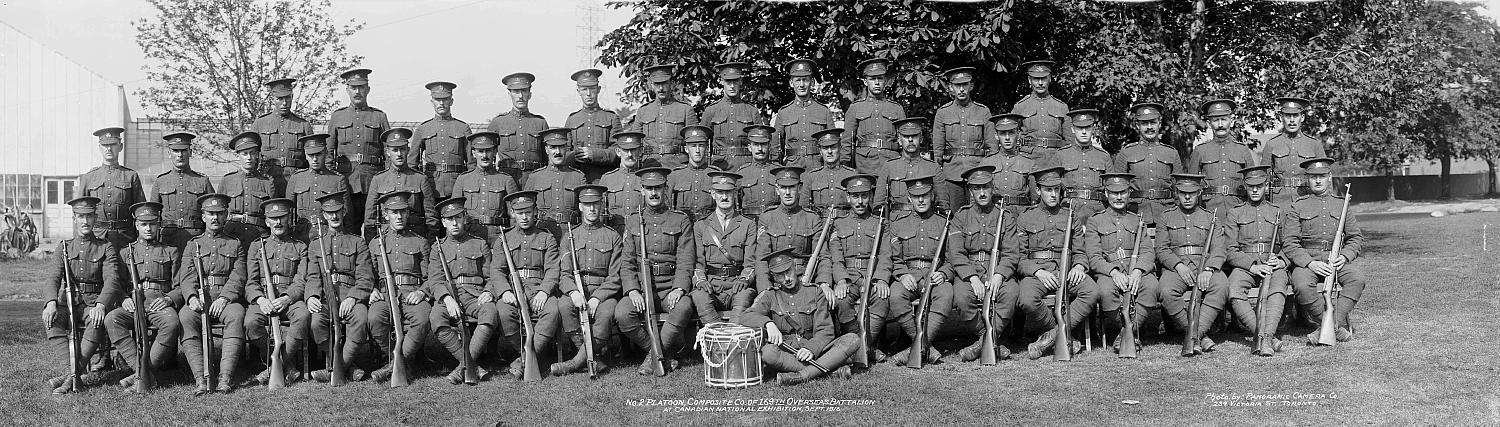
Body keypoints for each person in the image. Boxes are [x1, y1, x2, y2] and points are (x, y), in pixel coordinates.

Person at [614, 167, 697, 373]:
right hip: (643, 288)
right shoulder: (634, 221)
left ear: (665, 188)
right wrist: (633, 290)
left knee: (684, 306)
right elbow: (627, 262)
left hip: (669, 286)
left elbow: (686, 260)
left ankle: (652, 358)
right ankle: (660, 354)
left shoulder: (680, 220)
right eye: (648, 188)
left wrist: (679, 289)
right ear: (641, 190)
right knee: (623, 313)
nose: (653, 193)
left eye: (658, 188)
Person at [741, 248, 860, 385]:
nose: (787, 278)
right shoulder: (770, 295)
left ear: (795, 267)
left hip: (816, 351)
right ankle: (829, 371)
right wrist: (768, 324)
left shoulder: (815, 292)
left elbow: (825, 331)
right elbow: (745, 317)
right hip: (786, 353)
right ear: (774, 277)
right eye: (780, 275)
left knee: (852, 339)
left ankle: (802, 375)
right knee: (768, 352)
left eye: (788, 271)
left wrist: (811, 349)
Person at [42, 196, 122, 394]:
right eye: (80, 217)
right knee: (51, 320)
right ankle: (74, 374)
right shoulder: (64, 247)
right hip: (68, 303)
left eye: (89, 217)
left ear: (95, 218)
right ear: (74, 219)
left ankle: (70, 378)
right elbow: (53, 277)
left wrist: (102, 304)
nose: (85, 221)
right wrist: (51, 302)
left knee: (96, 322)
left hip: (93, 303)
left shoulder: (106, 247)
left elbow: (112, 280)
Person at [1283, 157, 1365, 344]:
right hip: (1308, 261)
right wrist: (1310, 263)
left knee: (1357, 279)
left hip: (1335, 260)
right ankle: (1334, 327)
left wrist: (1345, 256)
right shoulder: (1298, 206)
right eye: (1313, 177)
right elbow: (1289, 242)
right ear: (1308, 179)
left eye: (1322, 176)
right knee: (1302, 286)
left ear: (1329, 177)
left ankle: (1330, 326)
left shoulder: (1341, 204)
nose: (1318, 181)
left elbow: (1355, 237)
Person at [1016, 166, 1094, 360]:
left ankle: (1050, 338)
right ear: (1038, 191)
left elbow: (1080, 251)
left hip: (1065, 271)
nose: (1053, 194)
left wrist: (1078, 266)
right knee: (1026, 299)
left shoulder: (1070, 216)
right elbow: (1018, 257)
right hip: (1038, 274)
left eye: (1056, 190)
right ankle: (1063, 335)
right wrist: (1037, 272)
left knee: (1092, 291)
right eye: (1048, 190)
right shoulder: (1025, 217)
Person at [103, 202, 182, 391]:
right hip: (133, 302)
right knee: (112, 319)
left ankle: (142, 374)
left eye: (153, 224)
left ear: (158, 224)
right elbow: (117, 284)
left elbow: (180, 285)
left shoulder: (171, 251)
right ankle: (142, 372)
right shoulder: (125, 253)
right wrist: (123, 298)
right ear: (136, 225)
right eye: (144, 224)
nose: (148, 228)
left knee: (172, 324)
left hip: (159, 302)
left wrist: (169, 299)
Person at [946, 166, 1021, 362]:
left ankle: (982, 343)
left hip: (996, 270)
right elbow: (956, 253)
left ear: (992, 187)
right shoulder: (960, 217)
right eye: (977, 189)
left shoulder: (1005, 216)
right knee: (962, 297)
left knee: (1011, 293)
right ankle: (989, 338)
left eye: (985, 187)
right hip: (970, 272)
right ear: (970, 191)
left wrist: (999, 275)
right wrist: (971, 278)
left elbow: (1012, 253)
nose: (982, 193)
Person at [553, 185, 629, 376]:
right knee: (564, 305)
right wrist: (573, 292)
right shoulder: (569, 236)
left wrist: (597, 297)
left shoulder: (613, 237)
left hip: (603, 292)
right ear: (580, 207)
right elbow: (564, 274)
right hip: (577, 290)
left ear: (601, 205)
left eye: (595, 204)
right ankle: (593, 358)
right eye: (587, 205)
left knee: (606, 313)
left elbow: (615, 276)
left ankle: (574, 363)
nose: (592, 209)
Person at [176, 193, 248, 395]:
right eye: (210, 214)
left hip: (226, 299)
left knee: (236, 315)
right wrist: (191, 297)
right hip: (200, 298)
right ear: (203, 216)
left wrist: (225, 298)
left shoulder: (235, 244)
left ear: (226, 215)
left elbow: (238, 276)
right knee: (185, 317)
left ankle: (225, 377)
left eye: (219, 214)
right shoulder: (193, 245)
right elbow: (187, 275)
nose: (215, 218)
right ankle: (201, 377)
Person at [880, 173, 952, 365]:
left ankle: (918, 345)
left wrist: (943, 273)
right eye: (916, 196)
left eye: (925, 195)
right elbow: (893, 257)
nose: (921, 200)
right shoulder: (896, 225)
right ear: (909, 199)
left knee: (946, 294)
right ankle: (922, 343)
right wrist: (902, 274)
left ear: (933, 196)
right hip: (909, 276)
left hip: (934, 276)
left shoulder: (944, 223)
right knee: (895, 295)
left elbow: (952, 259)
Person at [489, 191, 562, 377]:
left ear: (535, 211)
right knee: (504, 312)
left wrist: (545, 292)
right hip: (514, 290)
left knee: (553, 310)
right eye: (519, 212)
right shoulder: (504, 239)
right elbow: (497, 270)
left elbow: (553, 269)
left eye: (528, 212)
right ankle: (527, 353)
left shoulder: (547, 238)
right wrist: (504, 291)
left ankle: (524, 358)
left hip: (539, 288)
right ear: (512, 213)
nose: (524, 216)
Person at [1154, 173, 1229, 355]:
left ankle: (1194, 335)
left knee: (1221, 285)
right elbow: (1162, 249)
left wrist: (1209, 270)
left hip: (1204, 266)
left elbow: (1219, 248)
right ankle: (1200, 337)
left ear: (1199, 193)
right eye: (1182, 193)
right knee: (1165, 291)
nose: (1187, 197)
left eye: (1192, 193)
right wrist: (1178, 266)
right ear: (1176, 193)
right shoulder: (1165, 217)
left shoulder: (1211, 217)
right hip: (1176, 268)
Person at [427, 197, 499, 384]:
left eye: (458, 217)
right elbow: (435, 279)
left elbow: (491, 276)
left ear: (464, 218)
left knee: (490, 312)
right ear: (443, 222)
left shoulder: (480, 243)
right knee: (436, 317)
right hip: (449, 296)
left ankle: (462, 368)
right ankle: (472, 366)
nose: (454, 223)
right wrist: (447, 299)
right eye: (449, 219)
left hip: (475, 296)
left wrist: (489, 291)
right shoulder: (438, 248)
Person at [305, 191, 374, 383]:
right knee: (316, 323)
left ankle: (338, 367)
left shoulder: (358, 242)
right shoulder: (315, 245)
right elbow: (312, 276)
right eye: (329, 213)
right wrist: (312, 297)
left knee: (360, 320)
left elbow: (365, 277)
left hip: (350, 294)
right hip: (326, 297)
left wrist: (353, 297)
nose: (334, 216)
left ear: (344, 212)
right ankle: (346, 366)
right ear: (324, 216)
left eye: (337, 211)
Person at [1083, 173, 1157, 353]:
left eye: (1123, 192)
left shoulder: (1137, 220)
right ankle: (1130, 330)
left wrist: (1138, 271)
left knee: (1152, 287)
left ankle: (1126, 332)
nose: (1118, 197)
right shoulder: (1095, 221)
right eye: (1113, 193)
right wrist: (1113, 273)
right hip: (1109, 273)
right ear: (1106, 194)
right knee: (1106, 291)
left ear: (1129, 193)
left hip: (1135, 272)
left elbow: (1147, 251)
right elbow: (1094, 256)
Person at [365, 191, 433, 384]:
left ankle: (395, 364)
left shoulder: (420, 242)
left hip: (412, 293)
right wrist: (371, 290)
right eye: (394, 212)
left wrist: (421, 292)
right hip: (385, 294)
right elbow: (367, 273)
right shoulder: (375, 243)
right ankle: (399, 361)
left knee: (422, 319)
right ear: (385, 215)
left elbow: (431, 277)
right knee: (374, 318)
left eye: (403, 212)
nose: (399, 216)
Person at [1221, 166, 1289, 355]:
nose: (1255, 190)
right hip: (1246, 265)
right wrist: (1252, 266)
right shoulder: (1235, 213)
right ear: (1245, 186)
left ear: (1266, 185)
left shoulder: (1278, 211)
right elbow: (1230, 249)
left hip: (1272, 264)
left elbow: (1289, 243)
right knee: (1233, 290)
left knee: (1277, 289)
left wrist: (1282, 261)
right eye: (1251, 186)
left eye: (1259, 185)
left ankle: (1266, 337)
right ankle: (1263, 336)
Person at [243, 198, 311, 386]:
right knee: (250, 323)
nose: (278, 222)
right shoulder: (257, 246)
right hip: (264, 298)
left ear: (288, 219)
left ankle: (277, 365)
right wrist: (259, 300)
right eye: (274, 218)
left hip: (289, 298)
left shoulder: (300, 247)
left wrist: (287, 298)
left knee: (303, 316)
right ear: (267, 222)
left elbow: (301, 279)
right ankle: (284, 363)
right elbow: (251, 281)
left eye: (282, 217)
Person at [825, 174, 892, 362]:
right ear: (848, 198)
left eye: (864, 196)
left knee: (882, 298)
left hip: (872, 276)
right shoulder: (838, 224)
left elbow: (886, 254)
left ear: (870, 197)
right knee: (842, 301)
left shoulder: (881, 223)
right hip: (850, 277)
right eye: (855, 197)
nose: (860, 201)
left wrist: (881, 279)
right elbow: (836, 257)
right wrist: (840, 280)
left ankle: (866, 346)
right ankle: (863, 345)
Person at [690, 172, 757, 325]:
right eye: (720, 192)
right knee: (699, 296)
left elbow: (751, 262)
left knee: (745, 295)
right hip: (711, 285)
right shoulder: (701, 226)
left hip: (736, 284)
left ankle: (733, 337)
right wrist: (701, 281)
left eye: (728, 192)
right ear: (713, 194)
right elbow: (698, 262)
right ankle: (716, 340)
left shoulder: (748, 225)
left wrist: (744, 279)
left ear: (735, 194)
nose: (724, 197)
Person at [328, 68, 390, 233]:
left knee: (375, 227)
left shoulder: (379, 117)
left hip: (373, 182)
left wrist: (387, 180)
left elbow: (388, 151)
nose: (357, 91)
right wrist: (334, 181)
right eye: (353, 88)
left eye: (361, 87)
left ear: (368, 89)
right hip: (346, 182)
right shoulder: (337, 117)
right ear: (347, 90)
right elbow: (328, 152)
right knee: (348, 227)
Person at [933, 66, 996, 208]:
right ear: (950, 87)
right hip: (951, 174)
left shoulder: (983, 112)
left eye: (964, 85)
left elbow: (992, 148)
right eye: (957, 85)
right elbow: (938, 151)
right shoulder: (943, 113)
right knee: (955, 216)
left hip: (977, 171)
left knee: (979, 214)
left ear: (971, 86)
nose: (961, 89)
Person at [1112, 102, 1181, 228]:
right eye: (1144, 123)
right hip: (1135, 214)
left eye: (1153, 122)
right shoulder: (1127, 152)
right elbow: (1117, 187)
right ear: (1137, 125)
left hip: (1166, 214)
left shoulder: (1171, 153)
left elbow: (1179, 189)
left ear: (1159, 123)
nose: (1149, 127)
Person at [365, 128, 440, 237]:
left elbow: (431, 216)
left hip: (416, 236)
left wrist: (429, 242)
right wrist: (373, 243)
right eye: (395, 150)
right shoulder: (378, 180)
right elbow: (370, 217)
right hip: (388, 237)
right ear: (387, 152)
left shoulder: (420, 179)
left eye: (402, 149)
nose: (399, 154)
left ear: (408, 150)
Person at [80, 127, 147, 248]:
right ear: (99, 148)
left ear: (120, 146)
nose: (109, 149)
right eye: (105, 145)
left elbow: (141, 211)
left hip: (125, 237)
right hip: (97, 236)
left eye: (113, 144)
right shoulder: (89, 178)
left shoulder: (130, 176)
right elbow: (80, 212)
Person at [1188, 99, 1255, 213]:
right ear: (1209, 124)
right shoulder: (1200, 150)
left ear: (1231, 121)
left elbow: (1253, 183)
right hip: (1208, 210)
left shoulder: (1242, 150)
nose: (1220, 125)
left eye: (1224, 119)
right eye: (1215, 120)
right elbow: (1190, 186)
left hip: (1238, 210)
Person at [452, 132, 521, 240]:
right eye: (480, 151)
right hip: (470, 236)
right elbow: (454, 212)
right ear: (473, 153)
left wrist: (511, 238)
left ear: (495, 152)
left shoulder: (506, 180)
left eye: (488, 151)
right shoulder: (463, 179)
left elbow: (515, 215)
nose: (484, 156)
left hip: (498, 236)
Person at [628, 64, 699, 168]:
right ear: (651, 85)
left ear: (672, 84)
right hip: (649, 166)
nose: (661, 88)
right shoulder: (643, 111)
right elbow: (635, 142)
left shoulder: (685, 110)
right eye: (657, 84)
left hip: (677, 166)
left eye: (664, 83)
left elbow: (696, 142)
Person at [844, 58, 906, 174]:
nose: (877, 83)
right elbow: (847, 141)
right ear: (865, 81)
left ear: (885, 80)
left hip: (892, 163)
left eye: (880, 78)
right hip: (864, 165)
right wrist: (846, 168)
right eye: (872, 79)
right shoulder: (855, 108)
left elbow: (905, 140)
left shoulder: (897, 109)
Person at [1262, 97, 1327, 205]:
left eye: (1295, 115)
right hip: (1280, 201)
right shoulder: (1271, 144)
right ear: (1281, 117)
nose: (1292, 120)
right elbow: (1263, 177)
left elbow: (1325, 176)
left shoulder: (1314, 144)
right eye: (1287, 116)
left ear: (1302, 117)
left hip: (1307, 199)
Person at [413, 81, 473, 198]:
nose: (441, 103)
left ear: (451, 101)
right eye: (437, 99)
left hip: (457, 186)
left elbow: (471, 163)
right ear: (431, 102)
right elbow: (412, 163)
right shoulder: (423, 129)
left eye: (445, 99)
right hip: (431, 186)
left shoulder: (462, 128)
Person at [151, 132, 214, 241]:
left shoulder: (202, 181)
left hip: (196, 238)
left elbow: (213, 211)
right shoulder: (160, 181)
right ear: (169, 153)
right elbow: (152, 214)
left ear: (190, 152)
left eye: (183, 150)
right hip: (168, 239)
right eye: (175, 151)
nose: (180, 155)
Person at [288, 133, 351, 241]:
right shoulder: (296, 178)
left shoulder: (337, 180)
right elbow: (288, 212)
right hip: (302, 235)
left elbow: (348, 215)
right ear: (306, 155)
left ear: (325, 153)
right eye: (311, 155)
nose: (315, 159)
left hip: (329, 235)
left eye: (318, 154)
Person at [525, 127, 589, 234]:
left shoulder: (578, 177)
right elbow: (526, 209)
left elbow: (586, 210)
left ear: (566, 148)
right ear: (546, 149)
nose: (557, 152)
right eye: (553, 147)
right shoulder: (535, 177)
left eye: (561, 147)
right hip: (543, 232)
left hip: (571, 232)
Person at [220, 132, 280, 245]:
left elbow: (273, 213)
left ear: (257, 155)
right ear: (237, 156)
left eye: (252, 153)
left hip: (259, 236)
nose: (249, 158)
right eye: (245, 153)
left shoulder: (267, 182)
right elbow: (219, 210)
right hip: (232, 235)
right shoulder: (227, 181)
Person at [565, 68, 624, 182]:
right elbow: (564, 153)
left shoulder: (611, 118)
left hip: (604, 179)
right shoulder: (572, 120)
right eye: (584, 89)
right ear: (578, 91)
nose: (588, 94)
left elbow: (619, 151)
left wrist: (594, 154)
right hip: (577, 180)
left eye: (592, 89)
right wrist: (575, 155)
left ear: (598, 89)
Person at [702, 62, 763, 169]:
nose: (732, 86)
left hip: (745, 165)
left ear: (741, 81)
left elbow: (762, 141)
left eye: (735, 81)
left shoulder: (752, 111)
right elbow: (701, 140)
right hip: (719, 166)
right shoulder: (711, 111)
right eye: (728, 81)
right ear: (721, 81)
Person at [253, 78, 315, 182]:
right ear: (272, 99)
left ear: (292, 97)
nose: (284, 103)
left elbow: (313, 154)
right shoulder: (260, 123)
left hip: (297, 178)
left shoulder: (303, 125)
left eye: (287, 98)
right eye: (280, 99)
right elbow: (251, 152)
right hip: (268, 178)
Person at [1054, 108, 1112, 218]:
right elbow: (1052, 185)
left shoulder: (1103, 156)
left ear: (1093, 128)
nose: (1084, 132)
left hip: (1098, 211)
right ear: (1072, 129)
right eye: (1080, 128)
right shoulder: (1061, 155)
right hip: (1069, 209)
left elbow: (1112, 187)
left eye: (1087, 127)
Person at [776, 59, 832, 170]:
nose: (801, 85)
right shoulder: (784, 112)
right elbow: (775, 147)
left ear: (812, 82)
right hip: (792, 168)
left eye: (805, 80)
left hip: (818, 167)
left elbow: (832, 142)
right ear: (791, 83)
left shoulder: (824, 111)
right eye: (797, 80)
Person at [487, 73, 548, 176]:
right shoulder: (498, 123)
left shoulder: (540, 123)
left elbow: (547, 158)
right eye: (516, 92)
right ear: (509, 94)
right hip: (507, 178)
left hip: (534, 179)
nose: (520, 96)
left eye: (524, 91)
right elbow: (487, 155)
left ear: (530, 94)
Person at [1008, 60, 1071, 159]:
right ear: (1029, 80)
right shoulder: (1020, 107)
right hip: (1028, 158)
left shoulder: (1062, 107)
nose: (1040, 83)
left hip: (1055, 158)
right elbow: (1010, 135)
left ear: (1050, 79)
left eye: (1044, 79)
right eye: (1036, 79)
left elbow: (1070, 141)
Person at [877, 118, 942, 210]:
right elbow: (879, 205)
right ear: (899, 140)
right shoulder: (889, 167)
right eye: (906, 136)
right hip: (896, 221)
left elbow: (943, 205)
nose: (910, 140)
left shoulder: (933, 168)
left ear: (921, 139)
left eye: (914, 136)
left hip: (925, 221)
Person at [598, 132, 658, 228]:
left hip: (641, 231)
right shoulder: (607, 179)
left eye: (633, 150)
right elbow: (599, 213)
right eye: (626, 150)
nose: (630, 154)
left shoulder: (647, 178)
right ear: (618, 151)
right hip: (615, 232)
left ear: (640, 151)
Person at [981, 113, 1036, 215]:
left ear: (1018, 134)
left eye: (1011, 133)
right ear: (996, 136)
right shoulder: (986, 163)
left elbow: (1035, 200)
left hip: (1020, 215)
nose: (1007, 138)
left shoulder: (1029, 164)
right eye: (1002, 133)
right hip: (993, 213)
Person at [668, 125, 722, 222]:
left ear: (706, 148)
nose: (697, 150)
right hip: (683, 226)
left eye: (701, 146)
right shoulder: (675, 175)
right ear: (686, 149)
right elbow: (668, 207)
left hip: (709, 227)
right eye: (693, 146)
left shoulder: (716, 175)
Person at [734, 125, 783, 219]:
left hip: (774, 222)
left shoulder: (778, 171)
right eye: (756, 144)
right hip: (749, 222)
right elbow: (736, 205)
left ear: (769, 146)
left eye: (763, 144)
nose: (760, 149)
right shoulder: (741, 173)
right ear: (749, 147)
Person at [801, 128, 856, 209]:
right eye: (825, 148)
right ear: (820, 150)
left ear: (840, 148)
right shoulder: (811, 177)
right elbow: (804, 208)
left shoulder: (851, 175)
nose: (829, 151)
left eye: (833, 147)